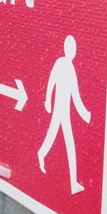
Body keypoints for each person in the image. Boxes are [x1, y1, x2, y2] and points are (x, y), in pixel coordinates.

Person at [39, 34, 91, 194]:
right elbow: (51, 81)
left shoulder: (70, 68)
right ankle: (73, 182)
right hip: (59, 109)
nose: (73, 51)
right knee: (69, 144)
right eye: (71, 48)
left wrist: (85, 114)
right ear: (67, 49)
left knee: (55, 137)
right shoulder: (61, 63)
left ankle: (41, 154)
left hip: (63, 111)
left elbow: (76, 95)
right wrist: (47, 100)